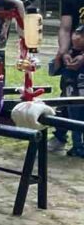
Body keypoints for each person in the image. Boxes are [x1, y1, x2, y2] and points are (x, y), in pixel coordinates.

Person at [48, 25, 84, 156]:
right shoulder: (68, 54)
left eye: (82, 35)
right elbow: (53, 70)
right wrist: (60, 56)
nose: (78, 37)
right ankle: (77, 147)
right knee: (74, 122)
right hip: (70, 95)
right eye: (76, 33)